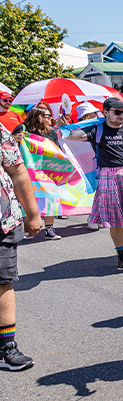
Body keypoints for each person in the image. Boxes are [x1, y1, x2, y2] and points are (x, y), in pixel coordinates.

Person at [66, 98, 123, 269]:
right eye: (117, 112)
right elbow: (72, 136)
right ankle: (121, 255)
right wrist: (64, 125)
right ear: (105, 112)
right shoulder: (97, 130)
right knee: (116, 221)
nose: (121, 115)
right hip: (109, 178)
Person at [0, 123, 42, 371]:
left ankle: (5, 348)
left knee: (2, 282)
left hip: (2, 221)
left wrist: (33, 213)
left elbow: (17, 172)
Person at [22, 102, 68, 240]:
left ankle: (49, 229)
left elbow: (57, 151)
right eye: (48, 116)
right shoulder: (24, 130)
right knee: (29, 199)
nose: (51, 118)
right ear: (39, 117)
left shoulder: (51, 133)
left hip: (48, 170)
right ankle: (28, 228)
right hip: (30, 170)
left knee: (50, 198)